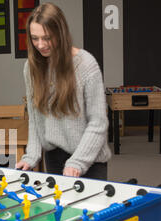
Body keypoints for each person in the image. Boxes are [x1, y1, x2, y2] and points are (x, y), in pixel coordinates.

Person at [16, 3, 111, 180]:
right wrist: (31, 155)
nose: (41, 44)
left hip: (89, 157)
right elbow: (36, 118)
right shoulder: (31, 67)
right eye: (35, 38)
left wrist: (78, 161)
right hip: (54, 158)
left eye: (47, 37)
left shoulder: (86, 65)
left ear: (61, 33)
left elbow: (98, 122)